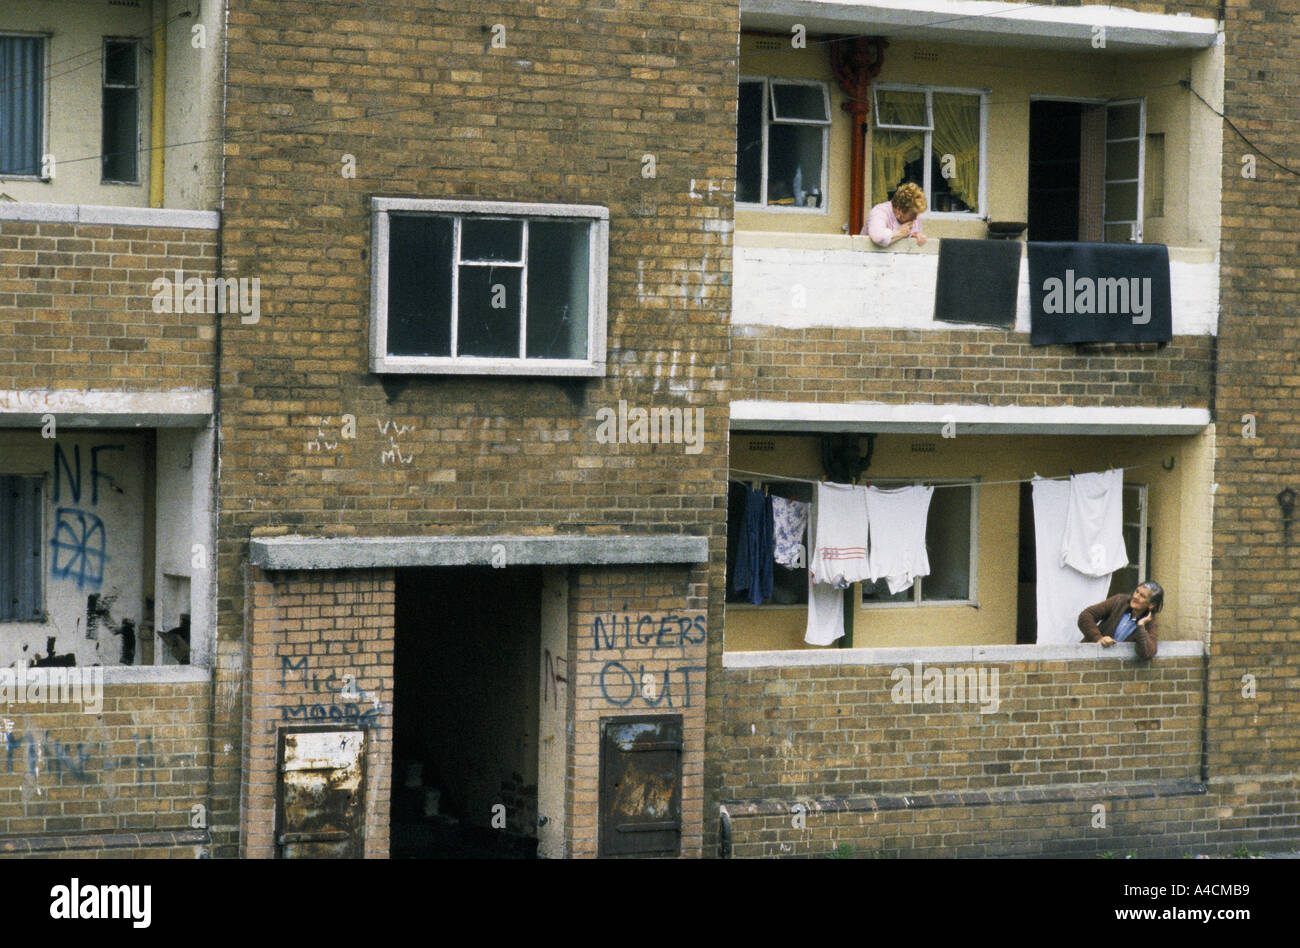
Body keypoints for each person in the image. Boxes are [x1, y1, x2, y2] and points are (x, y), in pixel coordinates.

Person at [1077, 581, 1163, 660]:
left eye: (1142, 596)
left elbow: (1147, 653)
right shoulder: (1119, 601)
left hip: (1114, 669)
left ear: (1151, 605)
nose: (1136, 596)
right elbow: (1086, 615)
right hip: (1087, 657)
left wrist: (1141, 626)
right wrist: (1098, 638)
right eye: (1136, 591)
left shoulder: (1150, 623)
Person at [864, 182, 927, 248]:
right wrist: (900, 232)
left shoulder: (915, 217)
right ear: (899, 210)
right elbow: (878, 237)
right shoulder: (880, 211)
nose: (915, 218)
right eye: (913, 214)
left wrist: (918, 237)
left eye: (917, 214)